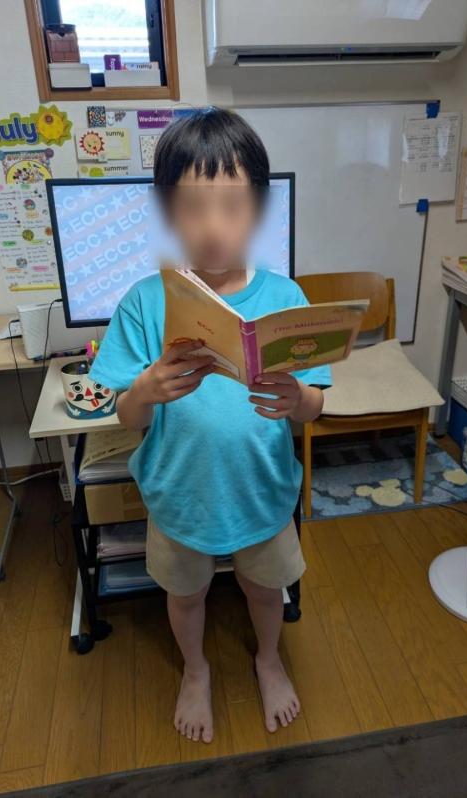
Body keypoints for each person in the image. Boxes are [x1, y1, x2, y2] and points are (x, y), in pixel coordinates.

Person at [89, 107, 331, 744]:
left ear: (259, 208)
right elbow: (126, 415)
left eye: (233, 206)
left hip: (263, 488)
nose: (214, 226)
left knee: (266, 588)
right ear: (168, 212)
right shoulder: (145, 302)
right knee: (186, 594)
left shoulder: (285, 298)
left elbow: (316, 407)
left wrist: (298, 398)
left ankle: (268, 659)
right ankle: (195, 670)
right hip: (180, 492)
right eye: (193, 207)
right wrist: (145, 389)